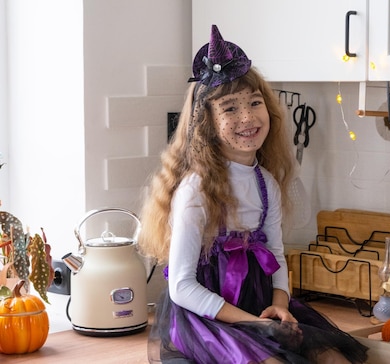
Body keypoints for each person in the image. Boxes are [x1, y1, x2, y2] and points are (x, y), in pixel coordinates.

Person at [138, 25, 369, 364]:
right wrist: (253, 323)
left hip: (260, 306)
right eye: (230, 108)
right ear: (207, 124)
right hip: (208, 318)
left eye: (255, 103)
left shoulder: (267, 184)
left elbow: (275, 254)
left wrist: (279, 303)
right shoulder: (195, 190)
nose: (247, 117)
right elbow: (182, 288)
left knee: (335, 358)